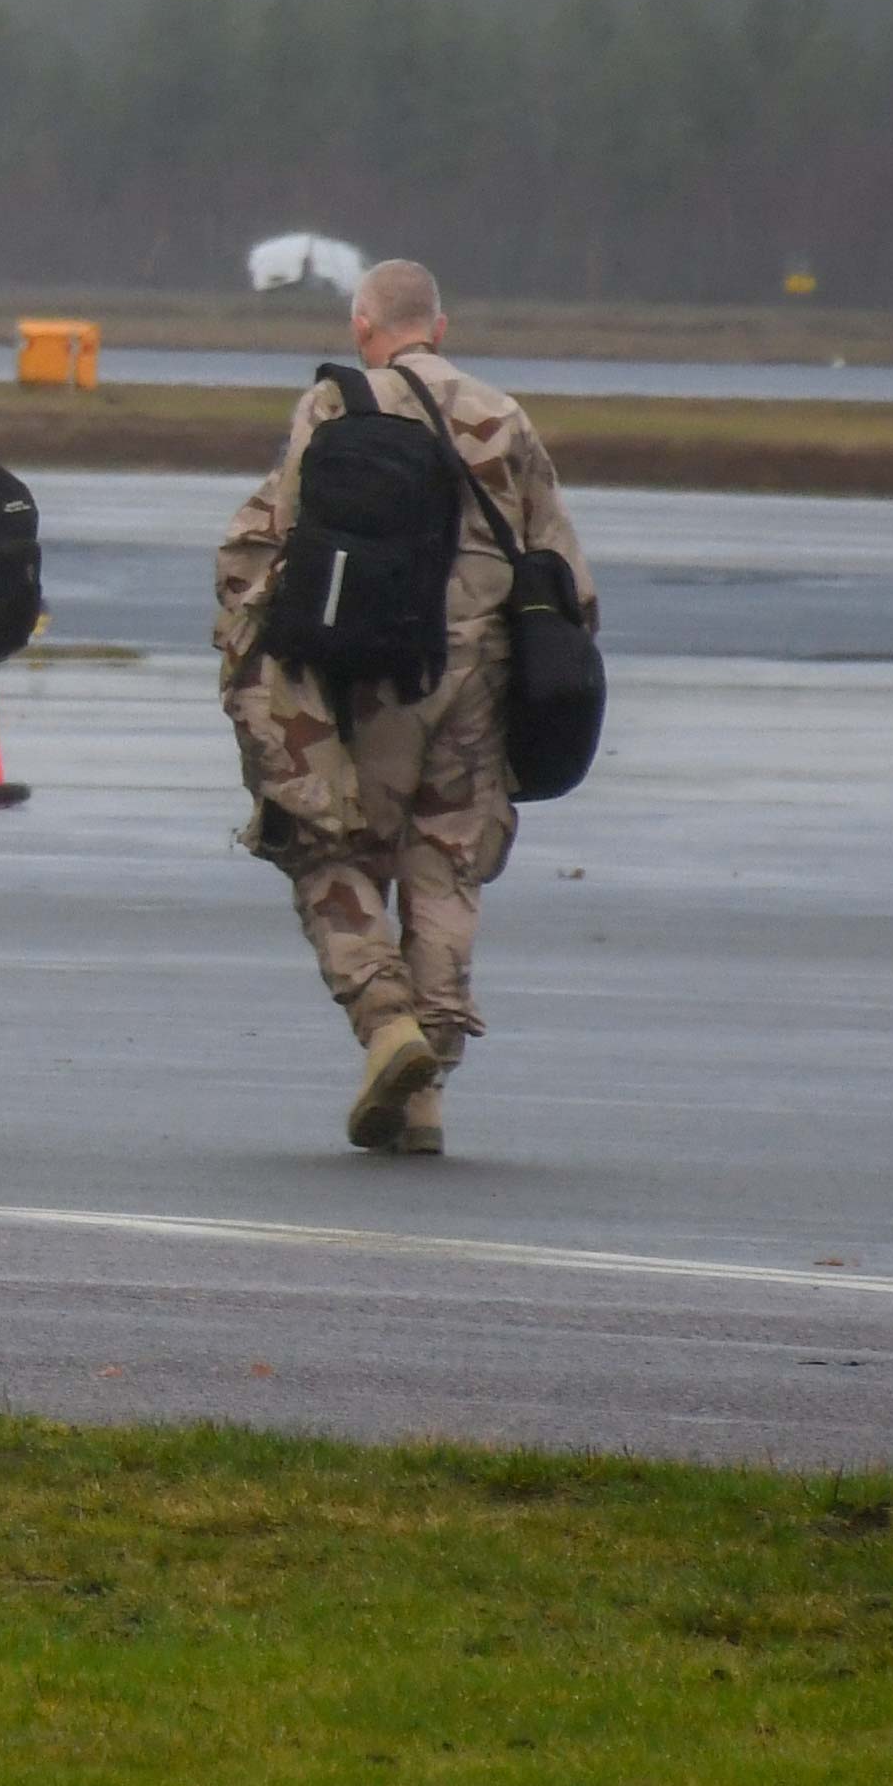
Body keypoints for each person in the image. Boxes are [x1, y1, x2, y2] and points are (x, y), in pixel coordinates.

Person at [212, 256, 596, 1157]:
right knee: (447, 868)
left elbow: (271, 537)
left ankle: (386, 1024)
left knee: (328, 847)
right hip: (480, 683)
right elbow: (567, 574)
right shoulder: (503, 416)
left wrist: (257, 660)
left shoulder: (339, 406)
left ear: (362, 325)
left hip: (368, 679)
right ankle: (426, 1092)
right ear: (442, 325)